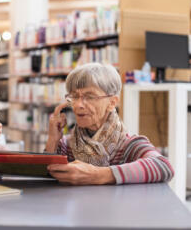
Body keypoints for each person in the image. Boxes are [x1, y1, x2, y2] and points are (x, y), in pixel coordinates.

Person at [45, 63, 174, 185]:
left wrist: (97, 175)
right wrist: (53, 139)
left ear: (112, 103)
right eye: (74, 96)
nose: (78, 105)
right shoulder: (66, 145)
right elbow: (44, 177)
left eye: (90, 97)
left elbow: (163, 166)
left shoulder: (128, 145)